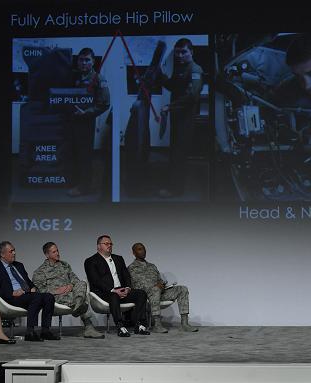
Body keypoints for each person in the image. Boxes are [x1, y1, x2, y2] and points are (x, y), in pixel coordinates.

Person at [0, 241, 60, 341]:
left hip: (27, 295)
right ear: (2, 254)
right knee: (37, 297)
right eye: (11, 251)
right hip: (12, 298)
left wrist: (33, 287)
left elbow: (28, 282)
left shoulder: (19, 265)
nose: (14, 253)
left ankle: (45, 331)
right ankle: (30, 332)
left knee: (49, 297)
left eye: (14, 250)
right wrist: (11, 293)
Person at [158, 38, 204, 198]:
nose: (180, 55)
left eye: (183, 52)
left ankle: (176, 190)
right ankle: (173, 184)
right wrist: (161, 76)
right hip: (177, 117)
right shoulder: (181, 68)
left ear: (191, 52)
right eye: (177, 52)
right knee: (175, 151)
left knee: (179, 153)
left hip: (185, 118)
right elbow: (173, 86)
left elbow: (192, 96)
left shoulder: (195, 69)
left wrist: (169, 107)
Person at [32, 242, 104, 339]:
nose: (57, 253)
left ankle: (78, 305)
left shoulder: (65, 265)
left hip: (71, 293)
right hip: (55, 297)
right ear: (47, 254)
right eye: (54, 252)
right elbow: (40, 291)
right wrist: (56, 291)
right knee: (81, 299)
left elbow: (75, 280)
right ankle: (88, 327)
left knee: (82, 283)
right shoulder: (40, 271)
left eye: (57, 250)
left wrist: (70, 285)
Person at [84, 235, 150, 337]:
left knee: (141, 294)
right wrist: (112, 290)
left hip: (122, 290)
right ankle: (120, 326)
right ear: (98, 246)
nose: (109, 246)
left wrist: (127, 288)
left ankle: (140, 325)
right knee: (113, 295)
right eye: (106, 244)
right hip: (105, 293)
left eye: (110, 244)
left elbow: (126, 276)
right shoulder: (91, 261)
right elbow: (95, 280)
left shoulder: (118, 258)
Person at [67, 47, 111, 197]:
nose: (83, 63)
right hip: (70, 121)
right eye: (81, 59)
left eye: (87, 60)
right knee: (72, 153)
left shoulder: (98, 78)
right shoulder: (73, 77)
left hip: (85, 122)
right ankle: (75, 182)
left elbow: (104, 104)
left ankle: (84, 187)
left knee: (84, 155)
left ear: (93, 62)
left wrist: (86, 113)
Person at [128, 242, 198, 333]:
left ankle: (184, 324)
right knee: (155, 289)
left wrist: (162, 284)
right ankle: (157, 324)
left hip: (159, 292)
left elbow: (159, 280)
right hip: (146, 295)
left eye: (144, 249)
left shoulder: (152, 266)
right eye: (139, 249)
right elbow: (136, 286)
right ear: (134, 253)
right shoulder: (132, 268)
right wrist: (155, 286)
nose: (143, 251)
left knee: (182, 289)